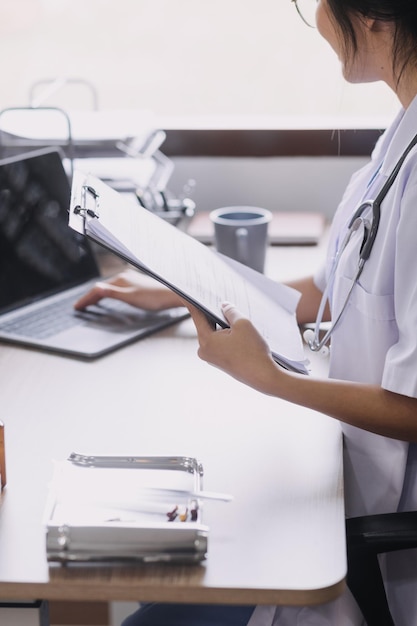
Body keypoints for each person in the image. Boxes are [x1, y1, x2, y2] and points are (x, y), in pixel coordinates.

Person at [75, 0, 417, 623]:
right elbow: (336, 290)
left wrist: (272, 380)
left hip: (365, 534)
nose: (316, 15)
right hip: (333, 480)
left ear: (370, 14)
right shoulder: (402, 133)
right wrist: (176, 288)